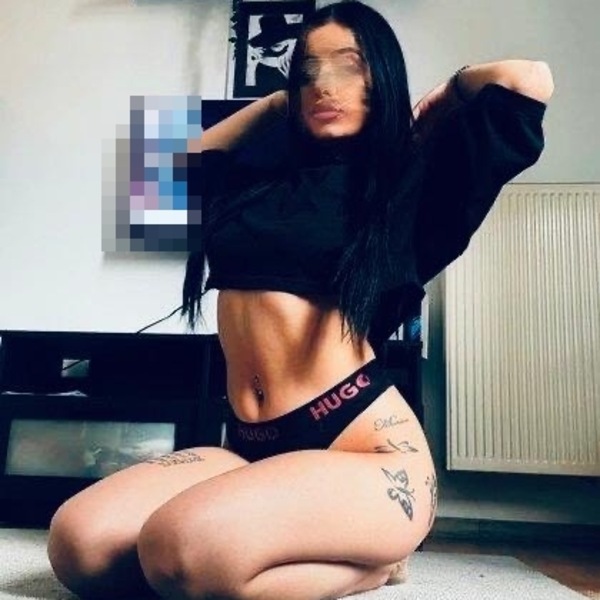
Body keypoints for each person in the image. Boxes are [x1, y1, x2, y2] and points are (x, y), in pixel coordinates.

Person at [47, 2, 553, 599]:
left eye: (349, 66)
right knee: (79, 546)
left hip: (366, 450)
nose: (325, 85)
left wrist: (450, 91)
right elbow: (153, 182)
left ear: (382, 76)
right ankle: (259, 551)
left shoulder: (409, 183)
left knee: (180, 551)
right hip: (250, 448)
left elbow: (529, 79)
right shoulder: (260, 182)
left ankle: (374, 565)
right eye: (309, 70)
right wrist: (275, 104)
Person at [246, 13, 301, 94]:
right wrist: (251, 67)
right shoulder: (260, 64)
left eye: (281, 36)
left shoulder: (296, 55)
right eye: (271, 38)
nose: (277, 41)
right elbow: (254, 93)